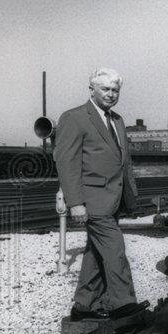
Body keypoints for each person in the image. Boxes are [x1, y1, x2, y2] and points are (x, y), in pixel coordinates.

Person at [54, 68, 145, 320]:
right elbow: (66, 163)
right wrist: (76, 203)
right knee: (114, 249)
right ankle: (124, 306)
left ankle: (84, 306)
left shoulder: (117, 120)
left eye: (115, 90)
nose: (111, 94)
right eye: (105, 89)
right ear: (91, 89)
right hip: (92, 200)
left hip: (112, 200)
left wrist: (130, 197)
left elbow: (123, 162)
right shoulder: (74, 118)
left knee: (95, 253)